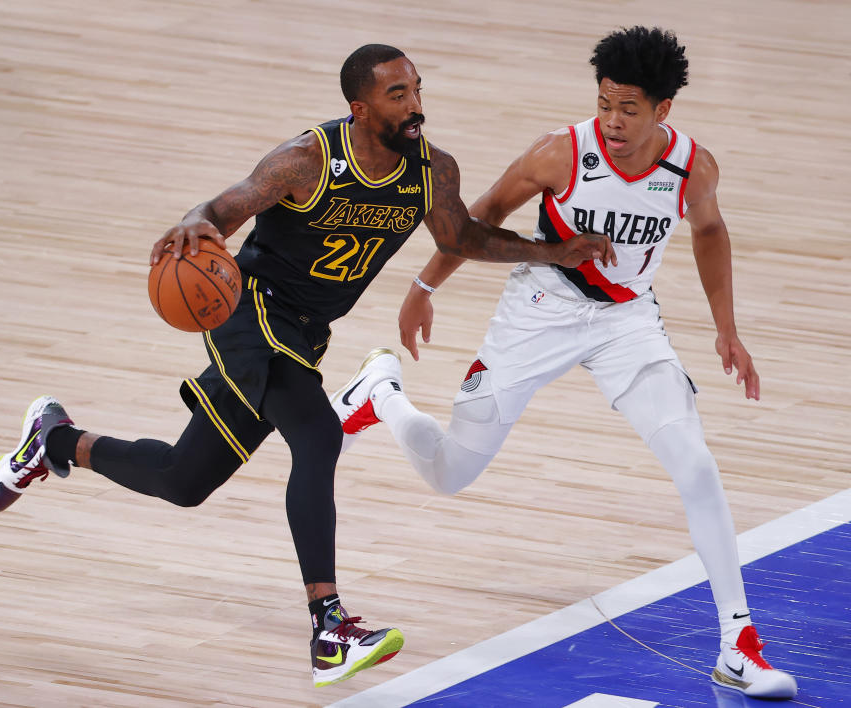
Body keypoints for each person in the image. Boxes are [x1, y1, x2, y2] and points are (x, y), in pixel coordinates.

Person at [0, 44, 614, 688]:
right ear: (359, 108)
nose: (416, 105)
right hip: (252, 311)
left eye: (418, 89)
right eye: (399, 95)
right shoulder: (307, 161)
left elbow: (459, 239)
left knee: (183, 479)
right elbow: (218, 212)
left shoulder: (431, 169)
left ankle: (53, 440)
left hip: (305, 335)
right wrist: (190, 224)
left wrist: (556, 252)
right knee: (317, 436)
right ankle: (329, 627)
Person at [331, 28, 798, 699]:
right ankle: (384, 394)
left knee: (695, 463)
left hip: (627, 323)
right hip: (537, 311)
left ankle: (739, 644)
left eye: (629, 108)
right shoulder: (560, 153)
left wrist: (728, 332)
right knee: (451, 474)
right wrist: (424, 288)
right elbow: (481, 215)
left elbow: (710, 231)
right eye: (605, 103)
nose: (612, 120)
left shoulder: (692, 167)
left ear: (663, 110)